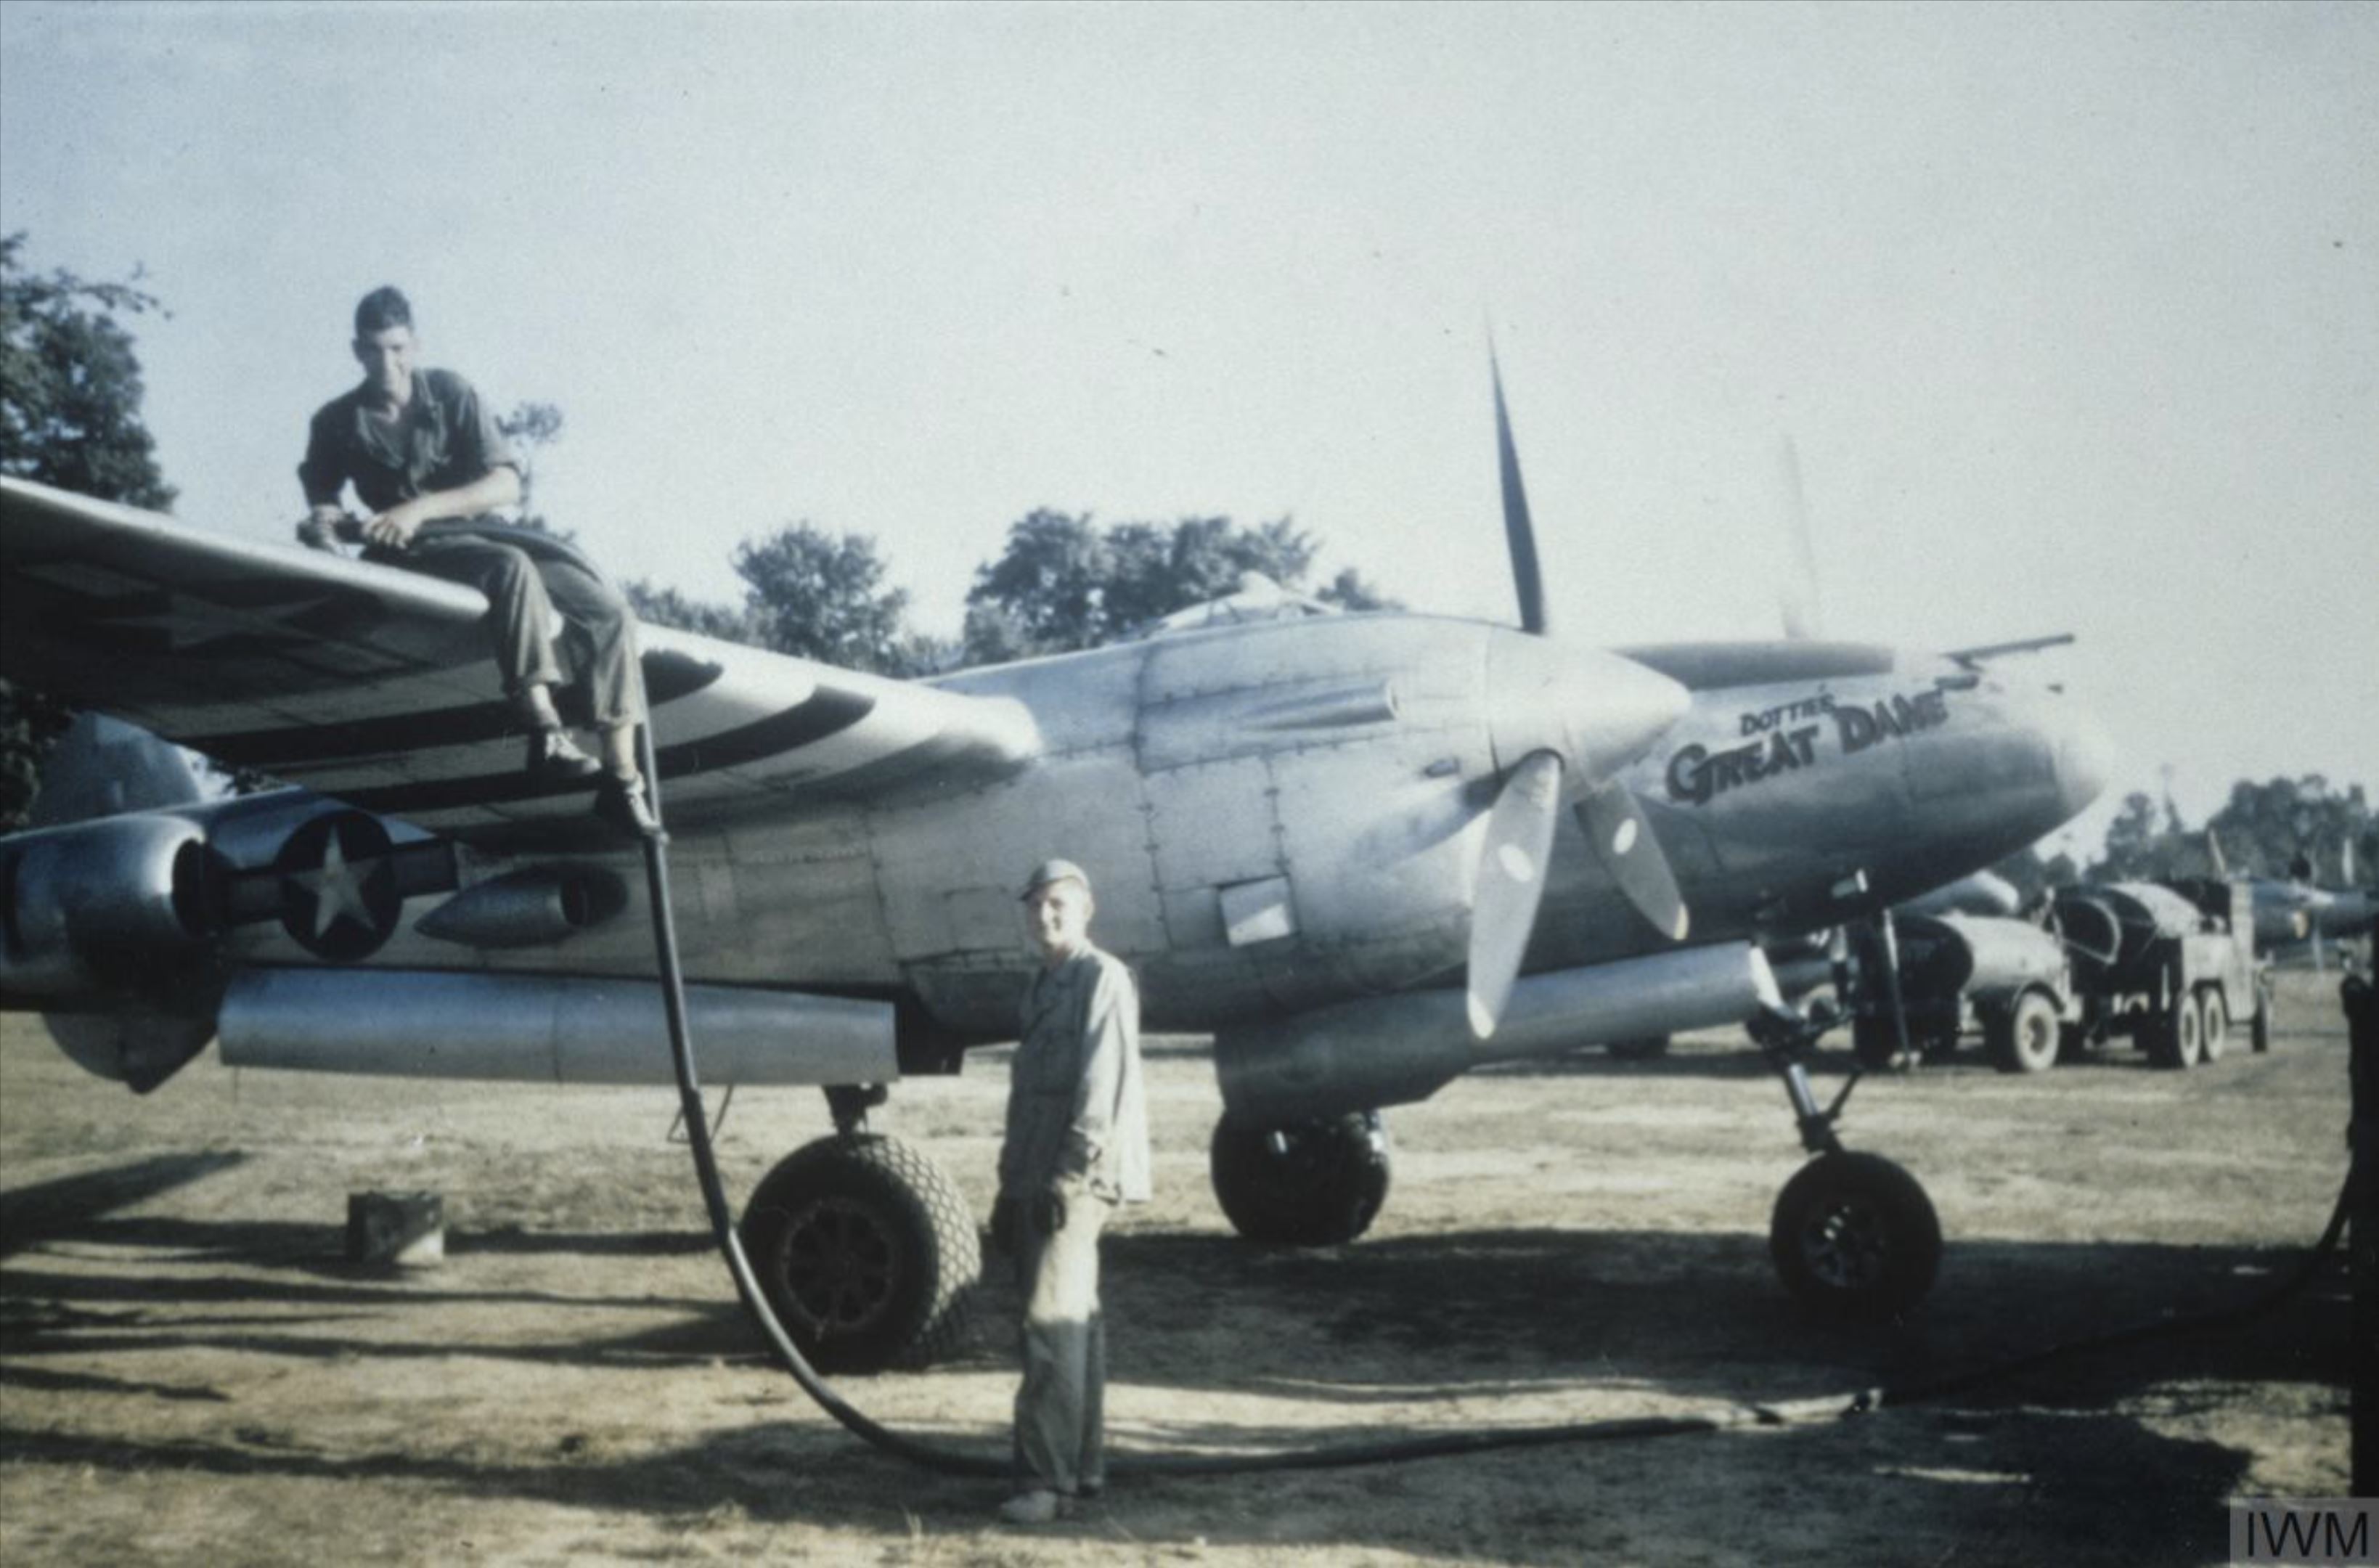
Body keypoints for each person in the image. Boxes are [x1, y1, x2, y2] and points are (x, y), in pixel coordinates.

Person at [296, 285, 656, 836]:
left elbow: (505, 483)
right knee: (510, 569)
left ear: (413, 345)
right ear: (356, 351)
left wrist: (419, 507)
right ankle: (544, 729)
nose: (386, 363)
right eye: (373, 351)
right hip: (409, 553)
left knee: (606, 609)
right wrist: (327, 527)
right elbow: (322, 501)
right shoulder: (336, 420)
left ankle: (621, 779)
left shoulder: (450, 393)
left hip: (479, 533)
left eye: (396, 349)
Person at [991, 859, 1149, 1525]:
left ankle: (1043, 1484)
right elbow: (1027, 1096)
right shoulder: (1044, 985)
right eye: (1035, 906)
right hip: (1039, 1174)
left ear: (1086, 910)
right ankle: (1080, 1471)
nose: (1044, 916)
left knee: (1049, 1325)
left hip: (1075, 1178)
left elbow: (1099, 1088)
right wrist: (1010, 1185)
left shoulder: (1099, 978)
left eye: (1058, 904)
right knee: (1075, 1320)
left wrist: (1065, 1176)